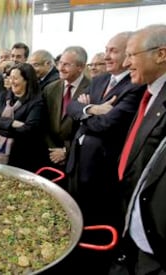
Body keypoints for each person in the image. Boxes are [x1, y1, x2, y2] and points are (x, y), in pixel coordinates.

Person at [64, 32, 146, 275]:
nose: (107, 56)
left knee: (96, 223)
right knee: (73, 216)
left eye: (114, 51)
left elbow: (109, 124)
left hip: (101, 171)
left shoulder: (135, 85)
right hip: (77, 163)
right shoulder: (99, 80)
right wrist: (92, 109)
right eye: (107, 50)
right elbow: (72, 108)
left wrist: (85, 114)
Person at [109, 24, 166, 275]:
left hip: (155, 235)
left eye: (131, 55)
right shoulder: (149, 92)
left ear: (161, 54)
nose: (125, 63)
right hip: (131, 217)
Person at [0, 63, 48, 172]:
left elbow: (29, 129)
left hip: (22, 153)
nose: (11, 82)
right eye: (10, 78)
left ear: (27, 80)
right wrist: (12, 123)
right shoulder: (3, 96)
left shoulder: (36, 101)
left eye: (15, 78)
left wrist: (0, 126)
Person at [42, 46, 90, 180]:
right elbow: (44, 123)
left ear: (81, 67)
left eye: (67, 65)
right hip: (50, 154)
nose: (61, 68)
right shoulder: (50, 88)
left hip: (77, 158)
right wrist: (53, 150)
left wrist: (66, 151)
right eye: (60, 63)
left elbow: (89, 128)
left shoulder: (92, 89)